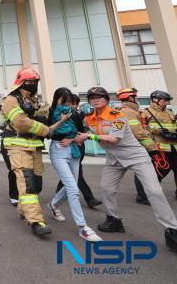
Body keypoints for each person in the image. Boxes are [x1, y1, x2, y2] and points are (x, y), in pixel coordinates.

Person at [74, 87, 177, 251]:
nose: (95, 99)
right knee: (106, 189)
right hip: (114, 159)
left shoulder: (118, 116)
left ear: (107, 99)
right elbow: (81, 131)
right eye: (92, 97)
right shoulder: (89, 119)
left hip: (136, 156)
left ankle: (172, 229)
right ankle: (113, 220)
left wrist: (88, 136)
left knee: (154, 191)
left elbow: (113, 139)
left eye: (99, 97)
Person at [0, 67, 71, 236]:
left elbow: (43, 117)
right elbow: (21, 123)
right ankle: (36, 221)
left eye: (36, 82)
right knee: (28, 184)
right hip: (17, 145)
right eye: (30, 82)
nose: (34, 85)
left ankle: (23, 209)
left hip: (34, 146)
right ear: (21, 83)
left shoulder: (34, 101)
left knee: (37, 184)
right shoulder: (10, 100)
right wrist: (46, 130)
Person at [46, 88, 102, 242]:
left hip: (74, 150)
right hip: (58, 150)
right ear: (56, 99)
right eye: (62, 101)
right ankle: (83, 228)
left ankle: (53, 204)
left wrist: (72, 139)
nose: (66, 104)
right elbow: (47, 133)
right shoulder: (50, 112)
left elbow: (80, 132)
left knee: (72, 185)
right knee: (72, 188)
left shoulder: (76, 113)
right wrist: (62, 120)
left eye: (68, 101)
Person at [55, 94, 102, 208]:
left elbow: (83, 129)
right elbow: (62, 131)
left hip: (80, 146)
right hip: (68, 146)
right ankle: (90, 199)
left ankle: (59, 191)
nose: (75, 106)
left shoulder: (80, 114)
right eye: (72, 103)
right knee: (77, 173)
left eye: (76, 103)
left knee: (71, 172)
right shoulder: (61, 114)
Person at [115, 88, 160, 205]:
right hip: (138, 146)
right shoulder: (128, 112)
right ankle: (143, 196)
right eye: (135, 97)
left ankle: (145, 195)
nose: (137, 99)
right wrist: (152, 145)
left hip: (137, 146)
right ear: (130, 98)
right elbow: (137, 132)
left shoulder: (130, 110)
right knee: (142, 171)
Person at [143, 90, 177, 198]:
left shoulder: (169, 112)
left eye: (167, 101)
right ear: (155, 100)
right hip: (160, 148)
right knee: (160, 171)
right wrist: (158, 131)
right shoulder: (146, 112)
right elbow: (143, 128)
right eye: (164, 100)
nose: (166, 103)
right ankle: (150, 193)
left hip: (174, 147)